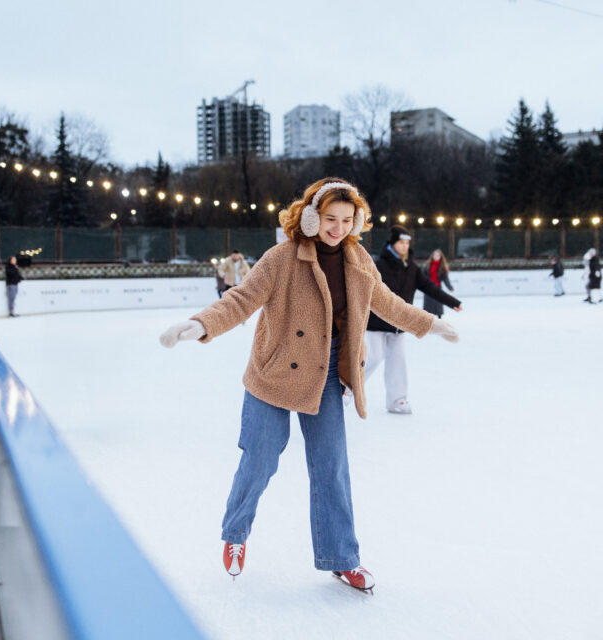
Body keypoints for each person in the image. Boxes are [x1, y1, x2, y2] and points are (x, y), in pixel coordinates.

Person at [158, 178, 459, 593]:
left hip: (328, 372)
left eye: (346, 220)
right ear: (312, 216)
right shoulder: (282, 257)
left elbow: (386, 302)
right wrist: (201, 324)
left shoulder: (358, 260)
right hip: (274, 371)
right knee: (260, 457)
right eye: (330, 218)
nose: (337, 228)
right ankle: (235, 535)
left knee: (331, 466)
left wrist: (431, 323)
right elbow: (241, 299)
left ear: (357, 222)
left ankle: (342, 558)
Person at [362, 226, 462, 414]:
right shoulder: (380, 265)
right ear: (393, 244)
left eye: (407, 243)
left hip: (400, 324)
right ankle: (347, 390)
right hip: (376, 322)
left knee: (398, 361)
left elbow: (430, 287)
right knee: (373, 358)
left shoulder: (412, 268)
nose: (405, 246)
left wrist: (452, 302)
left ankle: (397, 400)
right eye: (401, 242)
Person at [422, 248, 455, 317]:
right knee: (428, 306)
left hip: (437, 288)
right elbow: (422, 277)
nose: (436, 257)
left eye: (438, 256)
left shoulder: (442, 267)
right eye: (435, 255)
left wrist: (449, 287)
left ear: (440, 257)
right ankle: (428, 319)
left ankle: (439, 317)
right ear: (432, 256)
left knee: (438, 304)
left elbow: (445, 279)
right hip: (428, 287)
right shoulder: (427, 266)